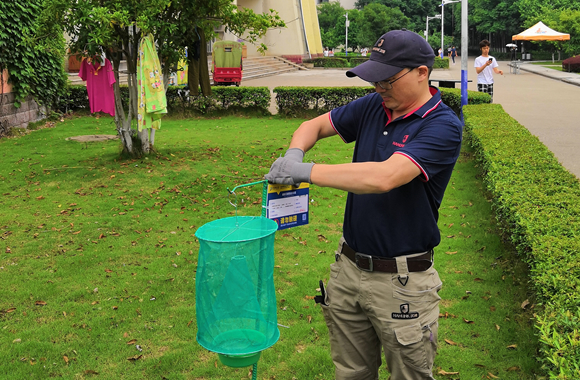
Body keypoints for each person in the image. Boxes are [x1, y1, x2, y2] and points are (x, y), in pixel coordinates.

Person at [265, 29, 463, 380]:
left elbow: (384, 176)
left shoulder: (442, 125)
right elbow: (314, 126)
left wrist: (305, 170)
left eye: (388, 79)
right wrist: (294, 153)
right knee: (351, 373)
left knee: (409, 375)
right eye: (375, 79)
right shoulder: (375, 105)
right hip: (349, 268)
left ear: (422, 72)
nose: (379, 87)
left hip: (402, 282)